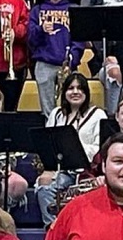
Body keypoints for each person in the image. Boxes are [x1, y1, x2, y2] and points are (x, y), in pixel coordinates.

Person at [35, 72, 107, 227]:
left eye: (80, 88)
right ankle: (52, 229)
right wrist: (49, 168)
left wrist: (72, 147)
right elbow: (47, 143)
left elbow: (99, 148)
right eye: (71, 88)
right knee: (44, 187)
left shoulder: (98, 114)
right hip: (60, 170)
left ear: (86, 93)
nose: (75, 92)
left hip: (86, 172)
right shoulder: (56, 114)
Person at [28, 0, 85, 117]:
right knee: (48, 110)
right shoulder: (37, 10)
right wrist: (41, 29)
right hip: (44, 64)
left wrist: (72, 59)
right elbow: (31, 40)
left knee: (70, 106)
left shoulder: (74, 9)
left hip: (67, 65)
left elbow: (79, 38)